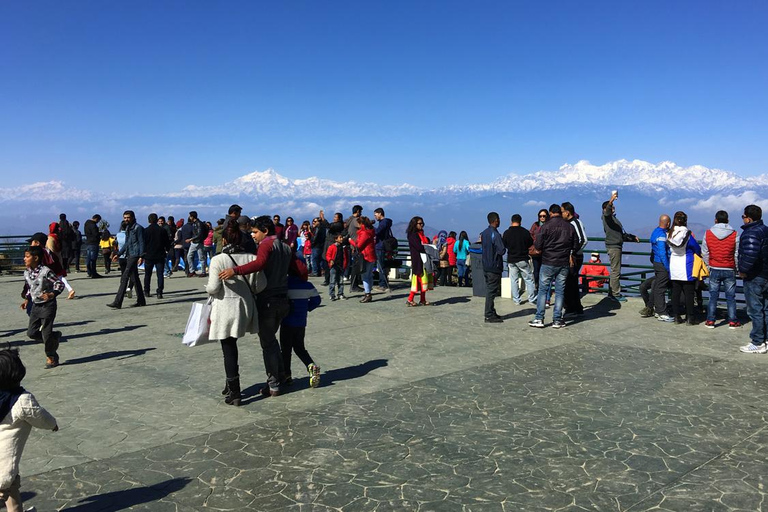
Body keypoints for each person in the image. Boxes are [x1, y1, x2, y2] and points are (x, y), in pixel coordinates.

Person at [219, 216, 292, 397]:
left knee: (268, 344)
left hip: (268, 299)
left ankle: (273, 383)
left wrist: (235, 270)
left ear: (265, 231)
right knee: (272, 341)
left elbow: (259, 264)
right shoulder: (285, 247)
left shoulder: (267, 245)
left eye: (255, 232)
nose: (253, 235)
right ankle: (282, 375)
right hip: (284, 298)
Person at [205, 223, 259, 406]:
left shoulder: (218, 260)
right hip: (245, 308)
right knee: (232, 346)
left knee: (228, 349)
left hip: (225, 308)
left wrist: (209, 290)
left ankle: (235, 391)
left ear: (225, 240)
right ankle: (229, 385)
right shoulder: (252, 257)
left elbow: (213, 287)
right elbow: (260, 286)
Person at [0, 348, 58, 512]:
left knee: (11, 491)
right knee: (11, 492)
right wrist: (53, 424)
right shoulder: (22, 400)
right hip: (3, 468)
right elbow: (40, 417)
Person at [528, 204, 578, 329]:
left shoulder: (545, 227)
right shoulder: (570, 227)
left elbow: (538, 245)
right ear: (560, 213)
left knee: (542, 290)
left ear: (550, 213)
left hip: (548, 261)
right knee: (560, 291)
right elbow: (576, 245)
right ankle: (557, 319)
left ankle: (539, 318)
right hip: (563, 263)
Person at [20, 245, 64, 368]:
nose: (24, 259)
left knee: (46, 332)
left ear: (36, 258)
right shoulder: (27, 273)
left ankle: (51, 357)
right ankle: (53, 337)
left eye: (27, 256)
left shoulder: (46, 271)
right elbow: (30, 288)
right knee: (31, 333)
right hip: (36, 306)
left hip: (48, 306)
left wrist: (51, 294)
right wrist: (27, 299)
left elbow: (59, 284)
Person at [281, 271, 322, 388]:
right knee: (299, 348)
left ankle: (287, 375)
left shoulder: (285, 284)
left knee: (285, 350)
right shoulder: (307, 285)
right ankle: (311, 365)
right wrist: (307, 308)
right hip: (301, 322)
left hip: (287, 322)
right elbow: (317, 300)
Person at [701, 210, 741, 329]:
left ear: (715, 220)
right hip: (729, 268)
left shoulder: (708, 233)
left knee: (713, 296)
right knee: (731, 296)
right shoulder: (734, 234)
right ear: (727, 220)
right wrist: (736, 267)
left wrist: (708, 266)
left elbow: (705, 252)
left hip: (714, 268)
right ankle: (733, 321)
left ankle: (710, 320)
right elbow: (736, 253)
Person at [738, 205, 768, 353]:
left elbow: (750, 254)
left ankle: (757, 342)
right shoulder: (765, 230)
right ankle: (766, 339)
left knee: (755, 310)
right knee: (765, 309)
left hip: (754, 276)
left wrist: (743, 270)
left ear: (748, 218)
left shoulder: (751, 233)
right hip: (765, 274)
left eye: (743, 217)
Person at [602, 192, 639, 302]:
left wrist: (631, 237)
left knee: (614, 271)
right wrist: (611, 200)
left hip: (615, 245)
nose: (613, 208)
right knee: (615, 271)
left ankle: (611, 292)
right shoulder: (607, 217)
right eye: (612, 207)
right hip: (614, 247)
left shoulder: (612, 219)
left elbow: (619, 233)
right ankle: (615, 294)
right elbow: (607, 213)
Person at [667, 211, 701, 325]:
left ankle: (676, 316)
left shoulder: (670, 234)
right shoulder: (687, 234)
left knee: (675, 292)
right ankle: (690, 317)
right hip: (686, 265)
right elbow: (696, 247)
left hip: (674, 265)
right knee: (689, 293)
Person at [107, 211, 146, 309]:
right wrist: (119, 254)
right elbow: (127, 243)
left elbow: (141, 242)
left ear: (133, 217)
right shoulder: (129, 228)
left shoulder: (138, 228)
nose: (126, 219)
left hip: (135, 255)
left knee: (125, 277)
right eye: (124, 218)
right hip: (129, 254)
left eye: (128, 217)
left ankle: (117, 302)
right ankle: (141, 300)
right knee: (134, 278)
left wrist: (141, 256)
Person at [502, 214, 536, 305]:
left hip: (511, 259)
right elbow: (530, 243)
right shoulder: (525, 232)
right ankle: (531, 299)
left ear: (511, 221)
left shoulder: (506, 233)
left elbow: (504, 245)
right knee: (529, 279)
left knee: (514, 280)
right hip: (522, 258)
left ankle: (516, 299)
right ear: (520, 222)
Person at [561, 202, 588, 315]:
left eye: (562, 212)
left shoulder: (576, 223)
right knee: (569, 282)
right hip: (570, 256)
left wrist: (572, 253)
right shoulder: (568, 223)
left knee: (571, 282)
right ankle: (573, 307)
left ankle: (574, 307)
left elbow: (583, 240)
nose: (561, 214)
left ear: (567, 212)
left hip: (575, 257)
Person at [481, 212, 506, 323]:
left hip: (486, 265)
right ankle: (489, 314)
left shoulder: (484, 233)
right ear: (496, 220)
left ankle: (491, 310)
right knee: (492, 291)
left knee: (489, 289)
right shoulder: (495, 235)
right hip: (494, 266)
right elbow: (501, 250)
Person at [649, 215, 674, 322]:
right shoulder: (662, 235)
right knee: (661, 288)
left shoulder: (655, 231)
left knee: (658, 286)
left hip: (656, 262)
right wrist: (667, 267)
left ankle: (657, 310)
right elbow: (662, 251)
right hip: (661, 263)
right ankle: (661, 312)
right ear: (668, 223)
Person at [143, 213, 171, 299]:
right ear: (157, 220)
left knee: (147, 274)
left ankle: (146, 290)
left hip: (148, 255)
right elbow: (167, 242)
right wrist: (167, 250)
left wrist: (143, 253)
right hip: (160, 254)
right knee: (160, 274)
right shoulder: (162, 230)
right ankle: (159, 292)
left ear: (148, 220)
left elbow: (143, 243)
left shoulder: (145, 230)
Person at [350, 216, 377, 303]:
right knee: (369, 275)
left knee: (365, 276)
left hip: (365, 256)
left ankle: (367, 294)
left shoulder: (364, 233)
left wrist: (351, 241)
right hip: (372, 255)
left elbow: (359, 246)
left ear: (361, 224)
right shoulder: (370, 231)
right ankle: (369, 291)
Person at [406, 216, 432, 306]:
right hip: (418, 260)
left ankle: (422, 299)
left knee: (424, 279)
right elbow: (419, 247)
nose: (422, 225)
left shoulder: (421, 233)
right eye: (419, 223)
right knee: (418, 280)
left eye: (422, 223)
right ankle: (410, 299)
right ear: (414, 224)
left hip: (423, 260)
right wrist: (427, 248)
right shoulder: (413, 235)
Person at [373, 208, 393, 292]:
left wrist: (371, 227)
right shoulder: (386, 222)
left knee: (381, 266)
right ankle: (383, 283)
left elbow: (377, 232)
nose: (375, 217)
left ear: (380, 214)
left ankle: (383, 285)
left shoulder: (383, 223)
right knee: (382, 265)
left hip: (380, 246)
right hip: (383, 246)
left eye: (375, 215)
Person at [529, 209, 549, 290]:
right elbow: (530, 235)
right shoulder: (535, 225)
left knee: (545, 271)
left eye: (544, 216)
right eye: (540, 216)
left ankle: (543, 287)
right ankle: (537, 285)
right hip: (536, 252)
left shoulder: (549, 225)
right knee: (536, 270)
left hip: (545, 252)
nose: (542, 218)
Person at [326, 233, 348, 301]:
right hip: (334, 266)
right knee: (332, 281)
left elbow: (346, 257)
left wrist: (345, 265)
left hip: (341, 266)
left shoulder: (343, 247)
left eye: (342, 237)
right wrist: (330, 260)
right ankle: (332, 295)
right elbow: (328, 255)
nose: (341, 239)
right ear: (336, 239)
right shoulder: (332, 247)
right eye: (340, 237)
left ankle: (340, 294)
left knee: (341, 281)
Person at [185, 211, 207, 277]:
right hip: (195, 242)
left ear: (192, 216)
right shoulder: (195, 223)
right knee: (190, 256)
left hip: (198, 242)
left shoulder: (198, 223)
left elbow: (199, 234)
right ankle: (193, 271)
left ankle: (202, 272)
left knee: (201, 257)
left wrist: (190, 239)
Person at [310, 214, 330, 280]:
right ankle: (320, 271)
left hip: (316, 245)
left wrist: (312, 242)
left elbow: (315, 238)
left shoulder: (318, 228)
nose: (313, 223)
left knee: (315, 259)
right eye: (313, 221)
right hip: (322, 245)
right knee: (320, 259)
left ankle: (315, 272)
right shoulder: (323, 228)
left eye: (315, 221)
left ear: (318, 222)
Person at [83, 214, 103, 278]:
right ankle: (94, 273)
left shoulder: (86, 224)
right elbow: (95, 234)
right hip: (94, 243)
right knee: (93, 259)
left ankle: (89, 272)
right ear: (96, 219)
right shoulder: (93, 225)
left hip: (88, 242)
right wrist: (100, 233)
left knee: (89, 258)